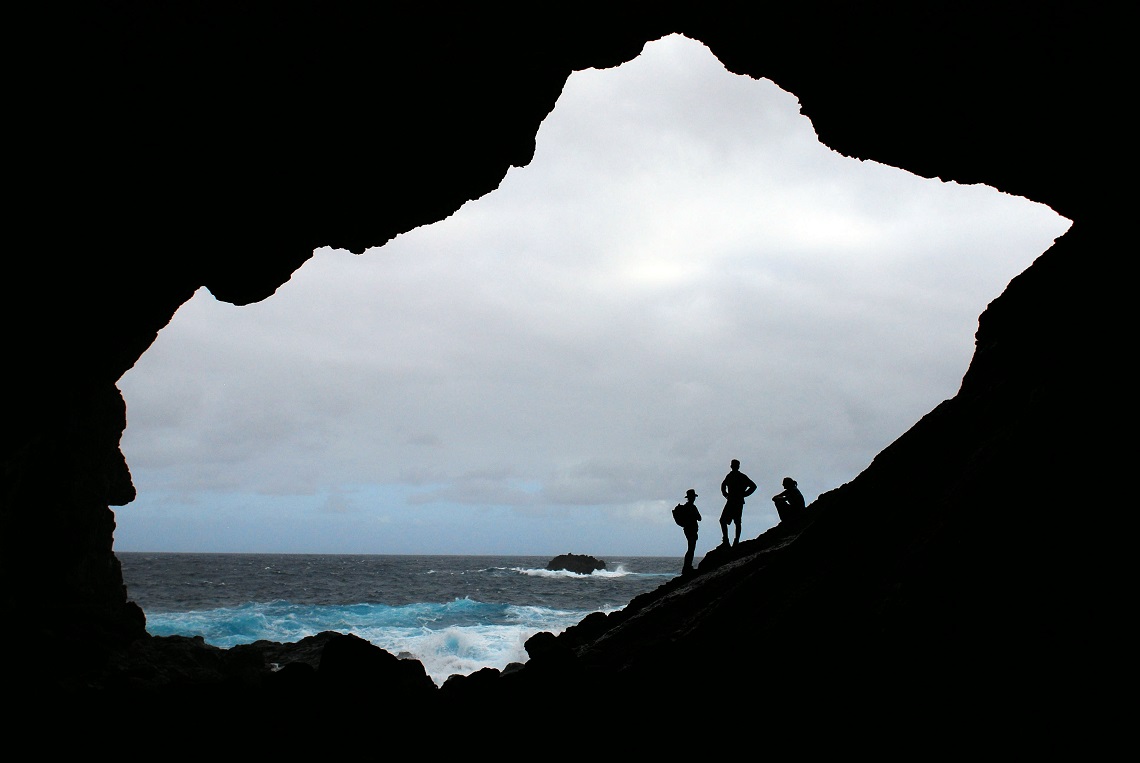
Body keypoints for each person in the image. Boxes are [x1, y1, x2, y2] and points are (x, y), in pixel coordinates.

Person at [719, 459, 757, 547]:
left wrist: (745, 494)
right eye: (733, 465)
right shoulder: (730, 476)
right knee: (724, 520)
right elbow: (723, 485)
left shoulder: (741, 476)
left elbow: (753, 486)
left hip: (737, 501)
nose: (733, 466)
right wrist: (725, 494)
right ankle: (727, 540)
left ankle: (735, 541)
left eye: (734, 465)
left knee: (736, 521)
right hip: (732, 500)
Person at [674, 488, 702, 574]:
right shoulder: (692, 507)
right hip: (691, 530)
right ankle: (687, 567)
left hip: (687, 529)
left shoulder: (686, 507)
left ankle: (687, 566)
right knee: (691, 548)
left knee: (690, 548)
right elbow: (699, 518)